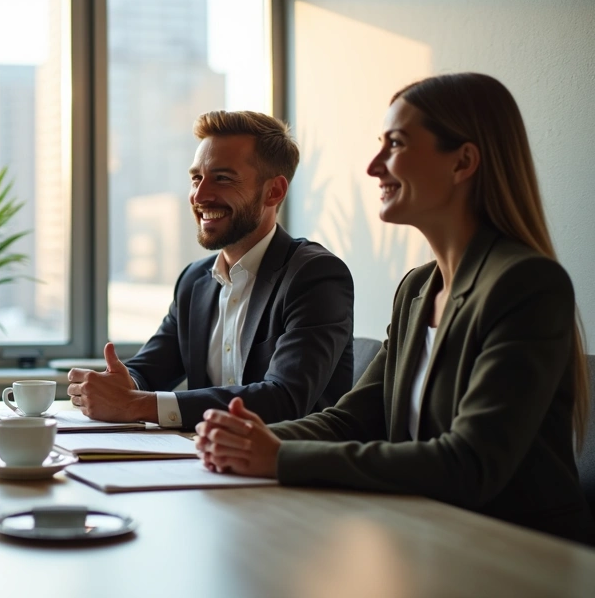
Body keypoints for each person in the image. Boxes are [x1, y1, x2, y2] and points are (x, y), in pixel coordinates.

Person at [194, 73, 594, 544]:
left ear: (463, 161)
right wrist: (250, 438)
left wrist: (277, 456)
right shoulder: (418, 288)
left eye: (396, 144)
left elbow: (469, 462)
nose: (373, 166)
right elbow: (353, 418)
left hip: (517, 554)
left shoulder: (526, 284)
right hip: (425, 536)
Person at [68, 111, 354, 430]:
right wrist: (124, 385)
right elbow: (150, 368)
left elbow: (285, 398)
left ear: (273, 192)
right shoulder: (195, 280)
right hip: (207, 462)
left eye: (222, 178)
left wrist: (135, 404)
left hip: (289, 471)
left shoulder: (315, 275)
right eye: (196, 178)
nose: (200, 196)